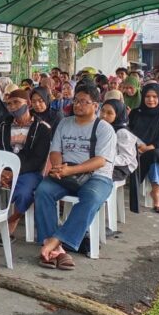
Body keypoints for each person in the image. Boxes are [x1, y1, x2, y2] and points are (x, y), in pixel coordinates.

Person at [34, 86, 116, 270]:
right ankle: (59, 250)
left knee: (92, 197)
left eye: (83, 101)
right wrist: (57, 167)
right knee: (42, 191)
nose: (77, 105)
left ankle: (54, 241)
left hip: (97, 176)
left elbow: (100, 161)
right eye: (76, 101)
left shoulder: (104, 128)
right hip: (65, 171)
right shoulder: (65, 123)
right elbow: (55, 150)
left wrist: (70, 171)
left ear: (95, 105)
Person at [0, 89, 51, 244]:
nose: (12, 107)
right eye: (9, 104)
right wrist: (1, 171)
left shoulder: (42, 128)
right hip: (2, 169)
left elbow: (38, 160)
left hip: (28, 171)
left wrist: (14, 172)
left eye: (16, 103)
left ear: (28, 104)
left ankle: (12, 220)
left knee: (24, 193)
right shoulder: (4, 126)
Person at [128, 83, 159, 213]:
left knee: (156, 157)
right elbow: (128, 132)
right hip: (135, 150)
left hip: (158, 149)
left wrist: (149, 147)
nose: (151, 100)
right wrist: (136, 147)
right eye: (147, 96)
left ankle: (156, 194)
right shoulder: (135, 113)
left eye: (155, 96)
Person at [100, 99, 138, 182]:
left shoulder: (122, 132)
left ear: (118, 115)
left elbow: (126, 158)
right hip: (101, 163)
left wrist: (104, 160)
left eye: (109, 113)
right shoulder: (100, 128)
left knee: (95, 176)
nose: (104, 115)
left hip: (119, 168)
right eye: (102, 111)